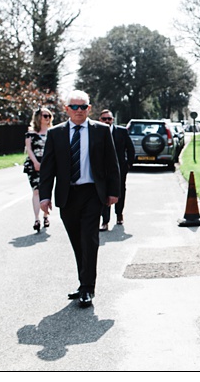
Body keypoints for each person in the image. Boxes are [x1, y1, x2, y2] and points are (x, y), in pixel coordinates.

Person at [37, 89, 119, 309]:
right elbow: (47, 168)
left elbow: (112, 164)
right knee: (77, 241)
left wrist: (114, 192)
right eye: (74, 107)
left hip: (93, 193)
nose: (79, 111)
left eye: (83, 107)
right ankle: (84, 282)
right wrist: (44, 196)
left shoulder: (102, 131)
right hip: (68, 195)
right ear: (67, 110)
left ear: (89, 109)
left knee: (89, 239)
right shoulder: (56, 134)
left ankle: (87, 289)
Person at [97, 109, 134, 230]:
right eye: (104, 119)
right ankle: (105, 220)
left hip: (119, 169)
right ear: (100, 120)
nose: (107, 121)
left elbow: (130, 148)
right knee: (103, 192)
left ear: (113, 120)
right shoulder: (96, 131)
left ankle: (119, 214)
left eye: (109, 119)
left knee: (120, 191)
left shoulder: (121, 131)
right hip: (102, 169)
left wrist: (128, 164)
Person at [24, 106, 53, 232]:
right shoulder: (30, 133)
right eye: (44, 115)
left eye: (49, 116)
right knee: (36, 191)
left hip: (48, 165)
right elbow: (28, 149)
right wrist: (35, 162)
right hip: (34, 164)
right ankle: (37, 219)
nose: (47, 118)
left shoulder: (53, 132)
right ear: (38, 117)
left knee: (46, 190)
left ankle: (46, 215)